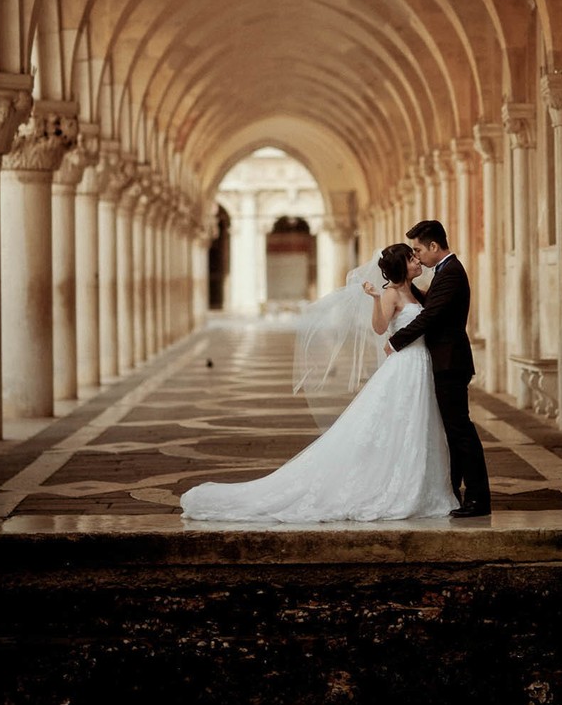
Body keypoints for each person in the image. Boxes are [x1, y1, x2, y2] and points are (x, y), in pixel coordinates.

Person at [179, 242, 456, 522]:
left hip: (420, 365)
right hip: (403, 366)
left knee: (416, 425)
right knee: (397, 424)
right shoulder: (391, 293)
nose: (417, 261)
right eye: (411, 258)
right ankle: (395, 485)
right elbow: (380, 328)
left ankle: (418, 484)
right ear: (401, 266)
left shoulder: (417, 293)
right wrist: (374, 298)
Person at [388, 219, 491, 518]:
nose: (417, 256)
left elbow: (431, 316)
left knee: (460, 430)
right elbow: (431, 305)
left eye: (419, 249)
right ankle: (456, 492)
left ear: (434, 246)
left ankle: (477, 498)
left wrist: (396, 341)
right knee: (452, 430)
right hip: (445, 360)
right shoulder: (444, 271)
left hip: (450, 361)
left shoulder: (451, 273)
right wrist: (403, 288)